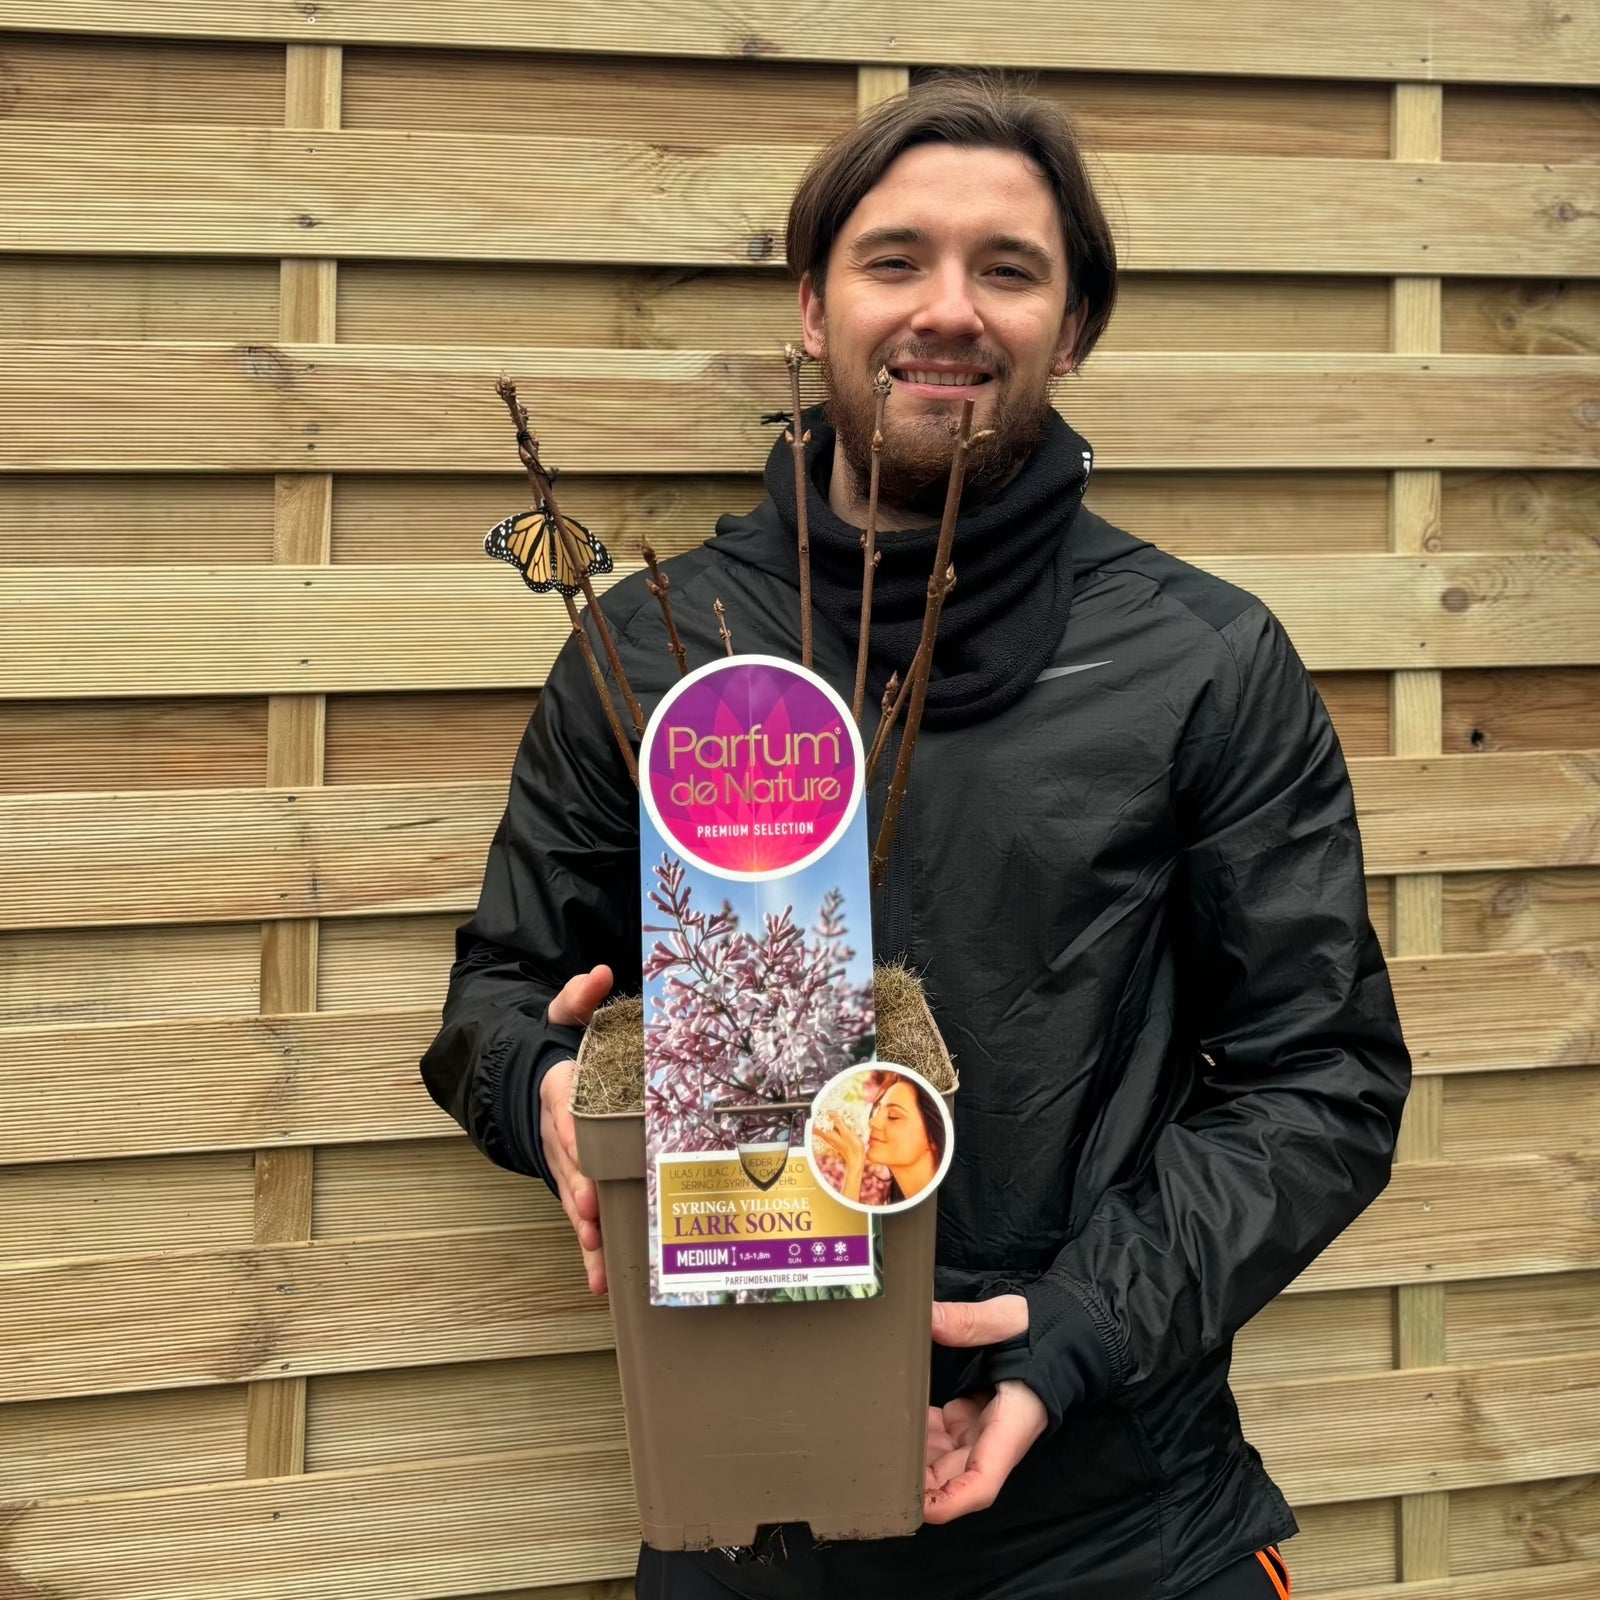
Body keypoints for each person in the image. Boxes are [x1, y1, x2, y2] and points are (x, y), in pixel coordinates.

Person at [422, 74, 1409, 1600]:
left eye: (1007, 269)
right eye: (896, 260)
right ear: (812, 308)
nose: (949, 308)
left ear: (1071, 329)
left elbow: (1322, 1078)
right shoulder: (657, 658)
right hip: (747, 1503)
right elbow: (496, 994)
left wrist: (1082, 1330)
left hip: (1123, 1523)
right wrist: (546, 1085)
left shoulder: (1203, 662)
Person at [814, 1070, 947, 1204]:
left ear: (933, 1135)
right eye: (877, 1110)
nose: (872, 1122)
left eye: (893, 1116)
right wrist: (855, 1160)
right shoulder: (891, 1204)